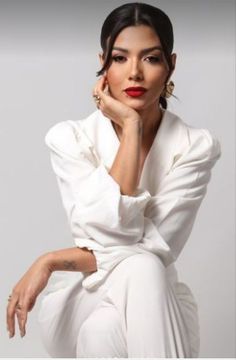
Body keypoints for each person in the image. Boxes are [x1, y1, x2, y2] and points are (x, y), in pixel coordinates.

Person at [6, 2, 221, 358]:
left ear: (171, 64)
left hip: (156, 305)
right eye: (120, 58)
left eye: (150, 59)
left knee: (106, 326)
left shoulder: (195, 147)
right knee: (140, 267)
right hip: (83, 299)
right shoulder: (70, 139)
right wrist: (133, 128)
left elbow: (155, 245)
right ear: (103, 61)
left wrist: (51, 260)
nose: (134, 72)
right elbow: (115, 233)